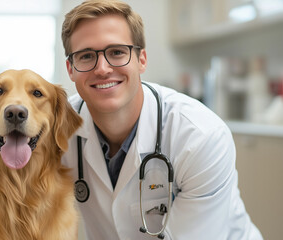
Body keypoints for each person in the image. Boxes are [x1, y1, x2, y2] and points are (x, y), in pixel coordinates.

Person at [60, 0, 263, 239]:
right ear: (70, 68)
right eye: (86, 56)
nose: (102, 69)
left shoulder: (200, 136)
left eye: (116, 52)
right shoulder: (57, 128)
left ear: (142, 59)